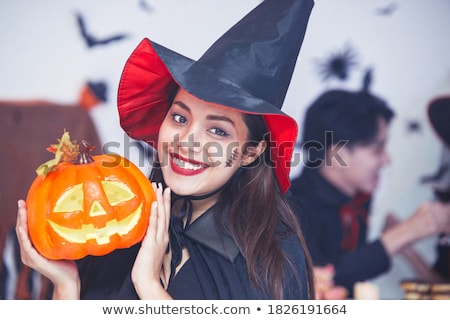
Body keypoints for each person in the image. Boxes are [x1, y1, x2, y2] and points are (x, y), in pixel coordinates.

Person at [16, 0, 316, 300]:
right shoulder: (115, 220)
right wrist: (66, 285)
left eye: (218, 130)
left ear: (251, 152)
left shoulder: (275, 254)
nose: (186, 140)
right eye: (180, 117)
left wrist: (148, 286)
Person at [289, 89, 450, 298]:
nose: (386, 160)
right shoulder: (290, 207)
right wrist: (406, 232)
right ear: (339, 154)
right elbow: (317, 283)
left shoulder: (356, 197)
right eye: (377, 149)